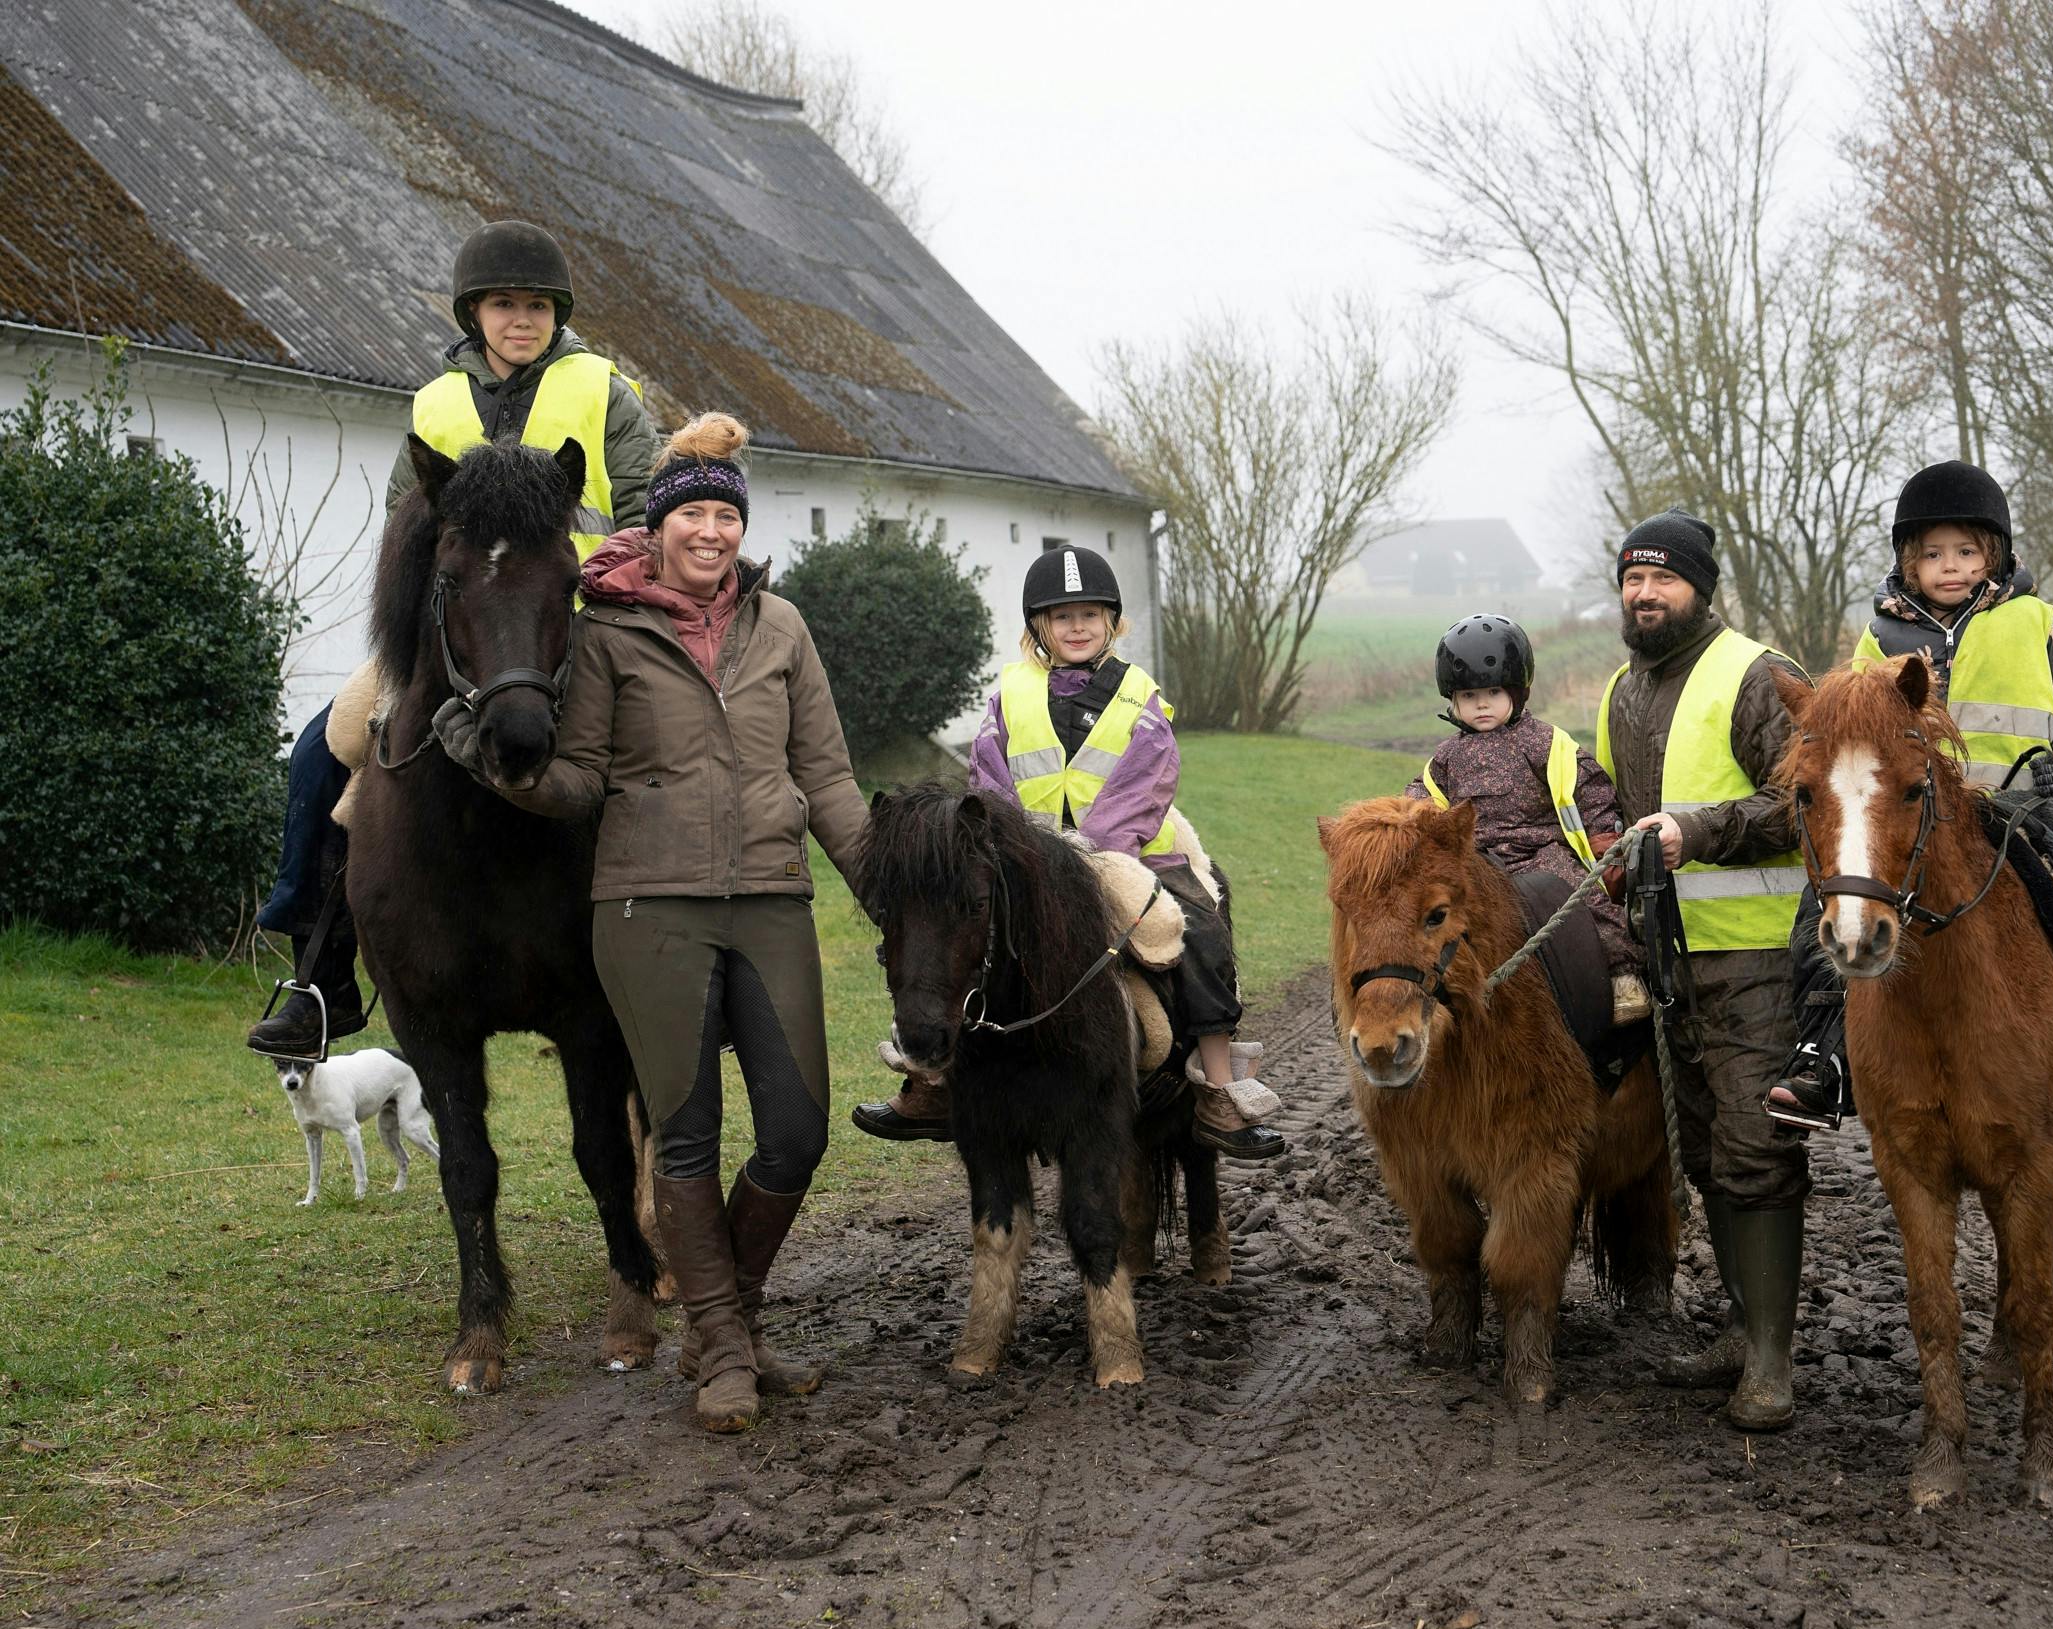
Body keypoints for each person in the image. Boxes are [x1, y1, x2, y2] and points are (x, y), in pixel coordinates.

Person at [437, 412, 866, 1434]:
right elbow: (580, 778)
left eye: (726, 514)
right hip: (649, 906)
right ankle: (722, 1348)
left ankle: (734, 1320)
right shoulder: (609, 632)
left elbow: (831, 781)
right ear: (659, 527)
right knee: (685, 1134)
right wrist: (492, 764)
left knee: (797, 1130)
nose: (710, 532)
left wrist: (887, 895)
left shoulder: (784, 627)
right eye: (692, 516)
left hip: (769, 897)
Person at [247, 220, 657, 1056]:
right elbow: (407, 531)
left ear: (556, 313)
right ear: (474, 312)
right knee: (323, 747)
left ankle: (687, 961)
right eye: (505, 304)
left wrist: (595, 580)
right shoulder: (434, 403)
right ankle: (320, 976)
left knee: (668, 744)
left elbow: (648, 507)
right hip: (459, 637)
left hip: (580, 623)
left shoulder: (604, 389)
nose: (521, 319)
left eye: (536, 306)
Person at [1765, 460, 2053, 1134]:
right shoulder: (1878, 643)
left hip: (2031, 808)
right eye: (1932, 554)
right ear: (1908, 561)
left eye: (1965, 551)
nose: (1949, 566)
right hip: (1921, 820)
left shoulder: (2036, 623)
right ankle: (1820, 1055)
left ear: (1994, 554)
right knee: (1823, 902)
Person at [851, 548, 1286, 1163]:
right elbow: (989, 779)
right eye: (1061, 617)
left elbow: (1145, 785)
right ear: (1039, 628)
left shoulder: (1140, 698)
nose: (1076, 627)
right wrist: (1021, 849)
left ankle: (1217, 1089)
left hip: (1127, 853)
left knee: (1200, 933)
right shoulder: (1010, 696)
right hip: (1022, 857)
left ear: (1112, 622)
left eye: (1089, 614)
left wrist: (1083, 856)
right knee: (941, 934)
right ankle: (933, 1080)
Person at [1593, 510, 1809, 1432]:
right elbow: (1611, 814)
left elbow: (1804, 800)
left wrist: (1699, 832)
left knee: (1758, 1148)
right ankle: (1737, 1330)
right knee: (1714, 1153)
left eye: (1663, 579)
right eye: (1632, 580)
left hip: (1757, 954)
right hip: (1668, 957)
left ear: (1701, 587)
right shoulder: (1619, 692)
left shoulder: (1759, 675)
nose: (1645, 595)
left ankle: (1771, 1362)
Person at [1403, 613, 1640, 989]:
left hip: (1542, 853)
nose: (1482, 705)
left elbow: (1590, 789)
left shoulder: (1543, 741)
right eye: (1469, 696)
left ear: (1516, 692)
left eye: (1493, 693)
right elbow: (1422, 798)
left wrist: (1603, 842)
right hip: (1478, 860)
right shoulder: (1447, 756)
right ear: (1453, 701)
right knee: (1427, 915)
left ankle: (1621, 976)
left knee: (1586, 904)